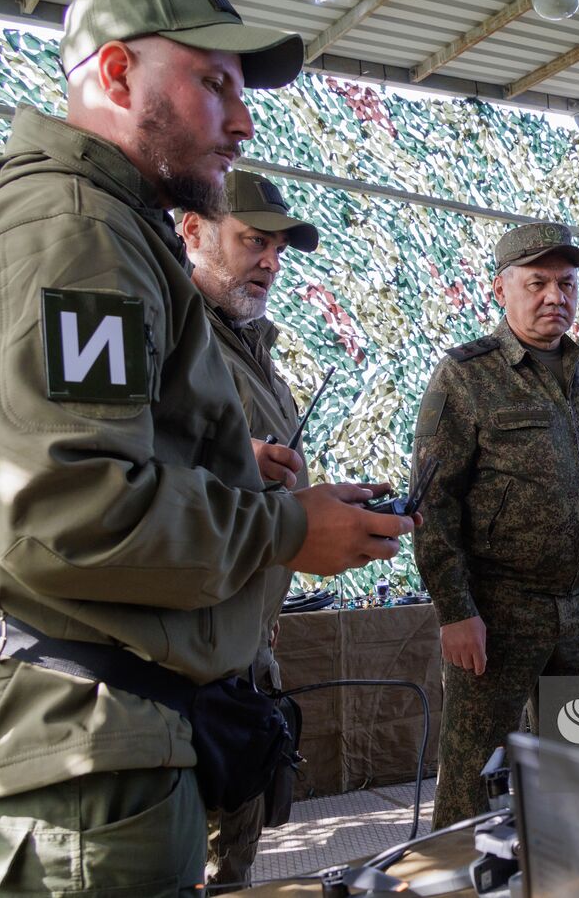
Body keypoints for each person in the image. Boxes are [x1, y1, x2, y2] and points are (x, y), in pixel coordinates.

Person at [0, 0, 414, 893]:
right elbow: (68, 510)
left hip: (77, 755)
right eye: (213, 84)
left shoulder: (98, 231)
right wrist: (290, 529)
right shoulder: (76, 235)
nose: (242, 121)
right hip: (76, 775)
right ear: (119, 74)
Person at [413, 223, 579, 826]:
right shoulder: (466, 375)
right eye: (538, 282)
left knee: (578, 765)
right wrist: (454, 609)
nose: (555, 296)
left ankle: (564, 877)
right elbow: (433, 503)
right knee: (475, 774)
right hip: (497, 614)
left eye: (567, 283)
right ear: (502, 289)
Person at [180, 168, 319, 891]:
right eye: (252, 242)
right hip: (180, 655)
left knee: (236, 850)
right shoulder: (168, 336)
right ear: (193, 232)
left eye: (277, 249)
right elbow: (113, 478)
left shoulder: (251, 347)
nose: (269, 261)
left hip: (243, 642)